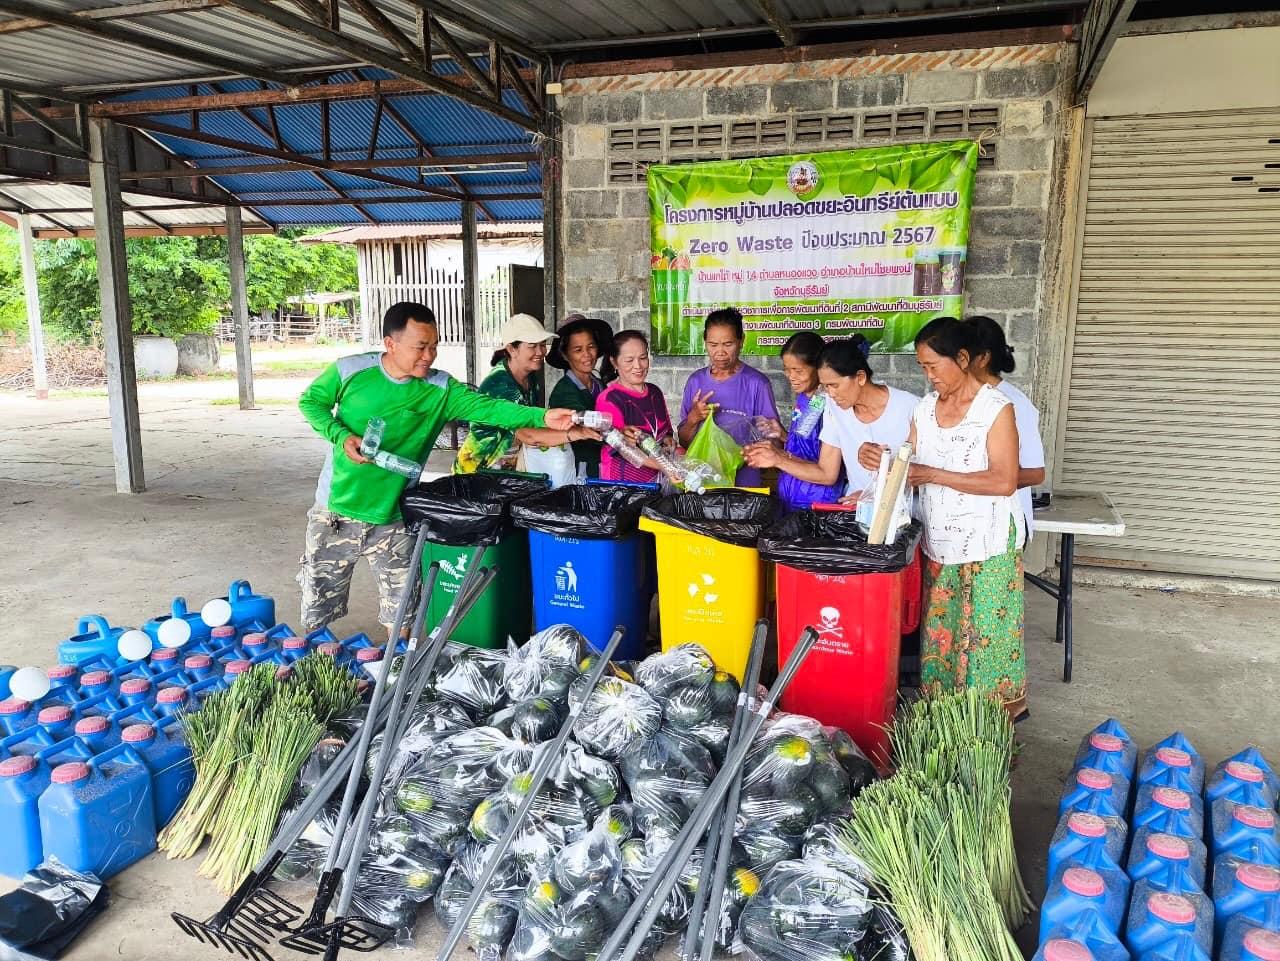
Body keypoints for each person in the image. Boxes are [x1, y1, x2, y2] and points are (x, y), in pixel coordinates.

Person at [298, 302, 580, 636]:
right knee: (319, 606)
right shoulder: (350, 371)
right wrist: (341, 435)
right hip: (336, 511)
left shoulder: (440, 389)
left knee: (403, 611)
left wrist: (543, 417)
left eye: (434, 346)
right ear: (391, 344)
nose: (429, 356)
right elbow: (310, 402)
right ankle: (314, 669)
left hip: (395, 516)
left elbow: (490, 409)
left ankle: (396, 669)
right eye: (420, 347)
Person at [906, 316, 1027, 720]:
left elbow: (1004, 480)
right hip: (940, 542)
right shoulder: (925, 409)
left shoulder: (995, 409)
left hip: (987, 545)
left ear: (961, 358)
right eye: (922, 366)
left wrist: (932, 475)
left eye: (933, 366)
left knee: (982, 642)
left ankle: (986, 729)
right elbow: (910, 461)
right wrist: (886, 461)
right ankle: (943, 728)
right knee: (943, 637)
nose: (928, 376)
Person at [745, 336, 917, 504]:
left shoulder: (912, 407)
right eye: (825, 386)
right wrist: (778, 454)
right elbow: (826, 471)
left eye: (834, 385)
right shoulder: (830, 406)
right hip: (852, 511)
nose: (830, 394)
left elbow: (920, 475)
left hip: (901, 513)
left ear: (861, 377)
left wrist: (875, 492)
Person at [453, 313, 602, 475]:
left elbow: (533, 422)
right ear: (511, 349)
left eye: (543, 344)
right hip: (476, 472)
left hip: (505, 469)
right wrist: (575, 433)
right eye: (532, 346)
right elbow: (529, 435)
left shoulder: (530, 377)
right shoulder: (500, 384)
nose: (540, 351)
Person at [677, 307, 780, 488]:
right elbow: (685, 442)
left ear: (741, 341)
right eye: (713, 344)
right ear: (705, 342)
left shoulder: (757, 383)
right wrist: (694, 418)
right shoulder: (696, 381)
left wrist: (748, 452)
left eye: (728, 344)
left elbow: (774, 440)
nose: (720, 352)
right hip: (702, 483)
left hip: (745, 482)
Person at [741, 332, 842, 511]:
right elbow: (807, 446)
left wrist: (777, 458)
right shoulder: (807, 398)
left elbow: (827, 472)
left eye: (798, 371)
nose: (791, 376)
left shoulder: (831, 404)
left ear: (819, 367)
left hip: (816, 503)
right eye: (787, 369)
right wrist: (783, 435)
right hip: (792, 495)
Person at [966, 315, 1046, 540]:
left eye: (960, 355)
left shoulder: (1014, 404)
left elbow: (1035, 473)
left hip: (1002, 527)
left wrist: (970, 483)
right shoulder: (956, 400)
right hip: (967, 524)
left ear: (982, 358)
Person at [595, 331, 674, 484]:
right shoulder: (609, 399)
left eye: (643, 358)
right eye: (629, 360)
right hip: (624, 482)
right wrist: (665, 466)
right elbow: (623, 448)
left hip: (659, 478)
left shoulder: (654, 392)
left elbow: (664, 431)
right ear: (614, 362)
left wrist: (668, 440)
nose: (638, 366)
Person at [547, 314, 614, 479]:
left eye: (591, 346)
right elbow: (590, 426)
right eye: (578, 350)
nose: (587, 354)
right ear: (565, 355)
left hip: (603, 465)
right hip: (581, 470)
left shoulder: (598, 384)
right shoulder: (564, 391)